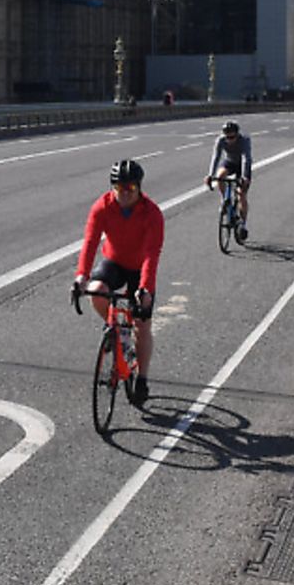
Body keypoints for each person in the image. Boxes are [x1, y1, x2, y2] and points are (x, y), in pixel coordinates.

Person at [72, 159, 166, 405]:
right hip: (114, 262)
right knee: (96, 290)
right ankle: (116, 332)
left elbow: (151, 254)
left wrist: (145, 288)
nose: (124, 193)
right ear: (112, 187)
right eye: (119, 188)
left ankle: (142, 378)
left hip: (139, 268)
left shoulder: (152, 213)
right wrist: (81, 276)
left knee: (142, 324)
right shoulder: (102, 206)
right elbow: (91, 242)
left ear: (139, 188)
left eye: (130, 189)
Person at [206, 120, 253, 242]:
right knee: (220, 175)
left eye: (232, 137)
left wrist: (244, 177)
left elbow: (245, 158)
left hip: (241, 166)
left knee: (241, 193)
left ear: (237, 134)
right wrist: (210, 175)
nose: (229, 139)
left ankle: (242, 224)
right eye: (227, 137)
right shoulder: (220, 140)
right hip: (230, 162)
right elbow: (216, 157)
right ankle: (225, 200)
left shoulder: (244, 140)